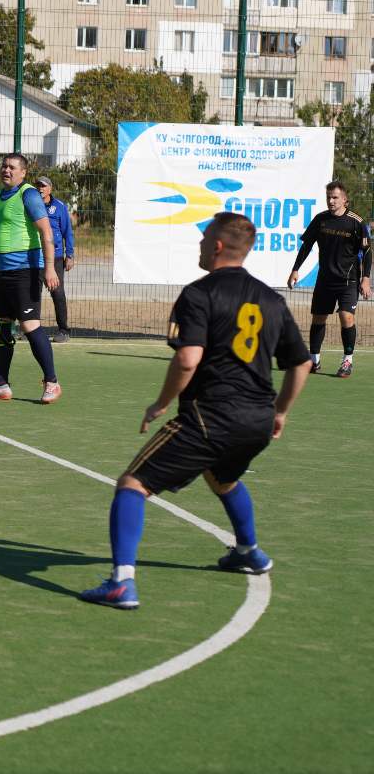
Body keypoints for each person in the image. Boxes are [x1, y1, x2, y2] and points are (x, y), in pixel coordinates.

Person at [80, 212, 310, 609]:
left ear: (218, 247)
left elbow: (188, 359)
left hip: (210, 418)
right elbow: (301, 363)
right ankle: (248, 551)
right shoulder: (271, 299)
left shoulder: (199, 294)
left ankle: (121, 582)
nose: (200, 245)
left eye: (204, 239)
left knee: (132, 485)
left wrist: (162, 402)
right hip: (255, 421)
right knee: (223, 478)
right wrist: (281, 411)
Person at [0, 153, 61, 403]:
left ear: (23, 173)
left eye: (12, 167)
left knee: (29, 326)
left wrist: (49, 268)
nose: (6, 170)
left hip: (26, 272)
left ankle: (52, 382)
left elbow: (46, 232)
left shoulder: (29, 194)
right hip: (2, 274)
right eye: (3, 166)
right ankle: (1, 384)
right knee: (0, 327)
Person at [286, 180, 370, 379]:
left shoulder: (356, 222)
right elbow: (306, 246)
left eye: (335, 198)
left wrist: (366, 278)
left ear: (345, 200)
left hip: (348, 279)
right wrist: (295, 269)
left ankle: (347, 360)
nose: (331, 201)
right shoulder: (321, 219)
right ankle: (314, 361)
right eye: (328, 198)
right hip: (325, 279)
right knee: (318, 318)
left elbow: (367, 252)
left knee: (345, 316)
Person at [36, 176, 76, 342]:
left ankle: (63, 330)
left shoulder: (59, 207)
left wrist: (70, 254)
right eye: (38, 185)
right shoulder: (31, 205)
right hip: (35, 256)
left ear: (50, 188)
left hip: (56, 257)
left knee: (58, 293)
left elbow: (68, 231)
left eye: (43, 186)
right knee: (32, 293)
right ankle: (31, 329)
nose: (40, 189)